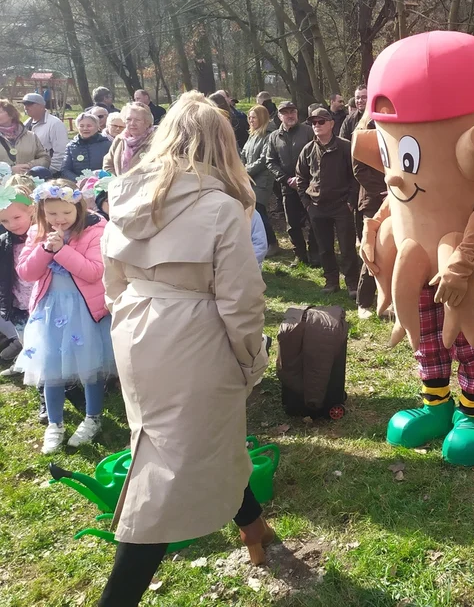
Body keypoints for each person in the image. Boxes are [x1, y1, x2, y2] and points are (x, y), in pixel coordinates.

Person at [98, 92, 273, 606]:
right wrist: (251, 359)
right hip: (194, 335)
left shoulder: (123, 192)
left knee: (192, 438)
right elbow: (241, 300)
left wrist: (132, 321)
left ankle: (252, 525)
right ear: (222, 143)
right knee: (169, 464)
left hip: (136, 328)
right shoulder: (219, 206)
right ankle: (120, 593)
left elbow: (112, 281)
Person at [15, 179, 116, 453]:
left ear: (79, 208)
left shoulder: (95, 230)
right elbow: (26, 273)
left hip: (84, 311)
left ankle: (92, 417)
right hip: (50, 310)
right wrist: (46, 249)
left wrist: (62, 250)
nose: (59, 220)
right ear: (41, 213)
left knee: (89, 366)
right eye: (52, 214)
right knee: (51, 367)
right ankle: (55, 423)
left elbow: (94, 271)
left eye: (66, 213)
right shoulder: (38, 232)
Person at [296, 107, 360, 296]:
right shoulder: (307, 149)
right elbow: (301, 177)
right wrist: (307, 204)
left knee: (347, 247)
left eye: (321, 121)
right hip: (317, 207)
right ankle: (331, 281)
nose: (317, 125)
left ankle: (352, 284)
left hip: (341, 206)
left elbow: (355, 177)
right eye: (313, 123)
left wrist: (350, 201)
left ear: (331, 124)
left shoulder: (345, 147)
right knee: (324, 248)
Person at [267, 101, 318, 267]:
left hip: (309, 185)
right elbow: (270, 161)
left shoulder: (308, 131)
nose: (290, 115)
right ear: (280, 116)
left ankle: (315, 254)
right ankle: (300, 255)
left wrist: (303, 179)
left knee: (314, 220)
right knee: (292, 223)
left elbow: (318, 157)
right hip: (287, 187)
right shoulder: (274, 136)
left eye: (292, 111)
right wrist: (285, 179)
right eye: (286, 112)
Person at [0, 176, 38, 365]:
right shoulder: (4, 243)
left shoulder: (42, 236)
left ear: (31, 210)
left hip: (43, 302)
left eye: (16, 217)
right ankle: (32, 372)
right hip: (19, 305)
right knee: (28, 343)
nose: (12, 224)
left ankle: (60, 380)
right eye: (5, 221)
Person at [351, 113, 385, 317]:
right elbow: (359, 170)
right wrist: (384, 190)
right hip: (373, 201)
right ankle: (363, 303)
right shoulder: (361, 133)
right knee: (372, 250)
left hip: (398, 200)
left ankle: (386, 299)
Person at [242, 105, 279, 257]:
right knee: (254, 211)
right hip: (249, 179)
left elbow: (263, 159)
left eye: (254, 117)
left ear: (262, 118)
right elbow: (244, 152)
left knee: (259, 211)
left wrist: (245, 171)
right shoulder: (253, 134)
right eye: (249, 117)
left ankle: (272, 243)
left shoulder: (268, 135)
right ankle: (260, 241)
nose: (251, 120)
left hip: (262, 181)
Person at [22, 93, 69, 172]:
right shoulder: (25, 125)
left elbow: (61, 151)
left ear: (41, 106)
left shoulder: (55, 124)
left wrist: (52, 171)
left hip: (48, 172)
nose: (26, 108)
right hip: (29, 172)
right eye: (24, 104)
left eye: (29, 104)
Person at [0, 100, 50, 173]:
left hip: (28, 181)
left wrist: (29, 166)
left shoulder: (31, 136)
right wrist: (9, 170)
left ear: (11, 114)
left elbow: (45, 159)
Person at [104, 103, 154, 175]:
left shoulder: (156, 140)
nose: (132, 123)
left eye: (137, 120)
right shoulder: (120, 139)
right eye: (128, 119)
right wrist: (115, 180)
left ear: (147, 122)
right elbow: (108, 163)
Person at [62, 112, 112, 180]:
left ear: (97, 127)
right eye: (81, 126)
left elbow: (112, 167)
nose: (85, 128)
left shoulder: (107, 145)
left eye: (89, 126)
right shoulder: (71, 146)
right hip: (77, 184)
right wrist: (78, 180)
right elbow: (65, 170)